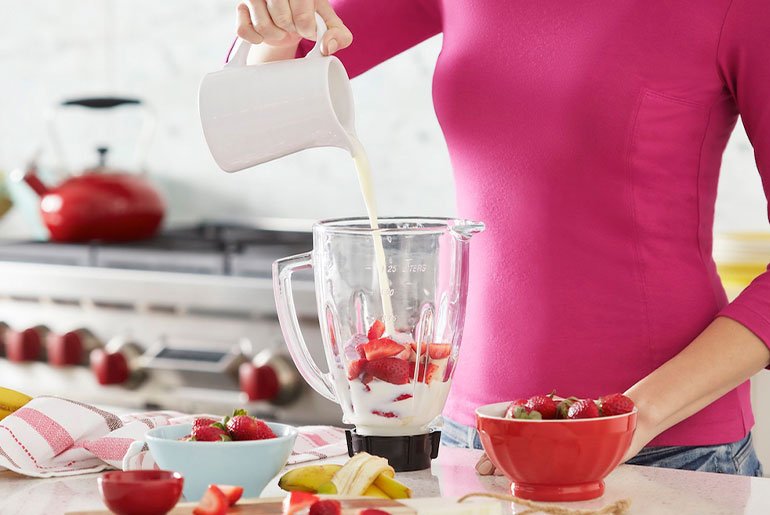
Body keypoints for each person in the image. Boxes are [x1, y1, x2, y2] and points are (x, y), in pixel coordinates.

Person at [234, 0, 769, 476]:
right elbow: (261, 113)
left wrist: (633, 416)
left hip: (665, 450)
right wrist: (277, 24)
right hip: (469, 440)